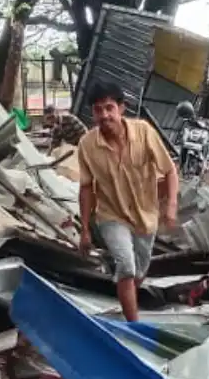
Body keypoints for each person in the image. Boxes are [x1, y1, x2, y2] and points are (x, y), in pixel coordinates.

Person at [76, 82, 179, 322]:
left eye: (109, 108)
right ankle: (134, 326)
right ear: (93, 113)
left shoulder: (143, 132)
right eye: (98, 110)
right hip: (110, 215)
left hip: (146, 214)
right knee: (126, 265)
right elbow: (86, 188)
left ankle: (125, 299)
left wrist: (171, 205)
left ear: (122, 109)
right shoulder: (87, 145)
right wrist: (84, 230)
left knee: (139, 272)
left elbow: (170, 171)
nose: (104, 115)